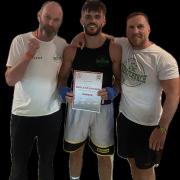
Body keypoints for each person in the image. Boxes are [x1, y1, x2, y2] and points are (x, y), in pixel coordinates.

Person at [58, 1, 121, 180]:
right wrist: (62, 92)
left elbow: (120, 80)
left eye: (96, 16)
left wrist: (113, 91)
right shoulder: (71, 49)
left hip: (104, 108)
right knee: (75, 151)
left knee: (104, 155)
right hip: (78, 106)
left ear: (104, 20)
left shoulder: (114, 47)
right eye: (88, 16)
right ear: (81, 19)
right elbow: (62, 78)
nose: (92, 20)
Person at [5, 1, 67, 180]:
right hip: (22, 114)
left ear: (60, 22)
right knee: (18, 167)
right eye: (48, 17)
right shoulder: (20, 40)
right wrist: (28, 55)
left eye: (56, 19)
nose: (51, 23)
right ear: (39, 16)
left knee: (47, 164)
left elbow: (62, 77)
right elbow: (10, 80)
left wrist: (66, 93)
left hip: (51, 114)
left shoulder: (62, 44)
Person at [114, 12, 179, 180]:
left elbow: (173, 96)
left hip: (149, 125)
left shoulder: (163, 59)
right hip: (125, 119)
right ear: (126, 31)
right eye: (131, 27)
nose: (136, 31)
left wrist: (162, 129)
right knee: (132, 162)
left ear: (149, 29)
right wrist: (79, 38)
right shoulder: (123, 44)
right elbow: (99, 37)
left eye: (140, 26)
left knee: (146, 169)